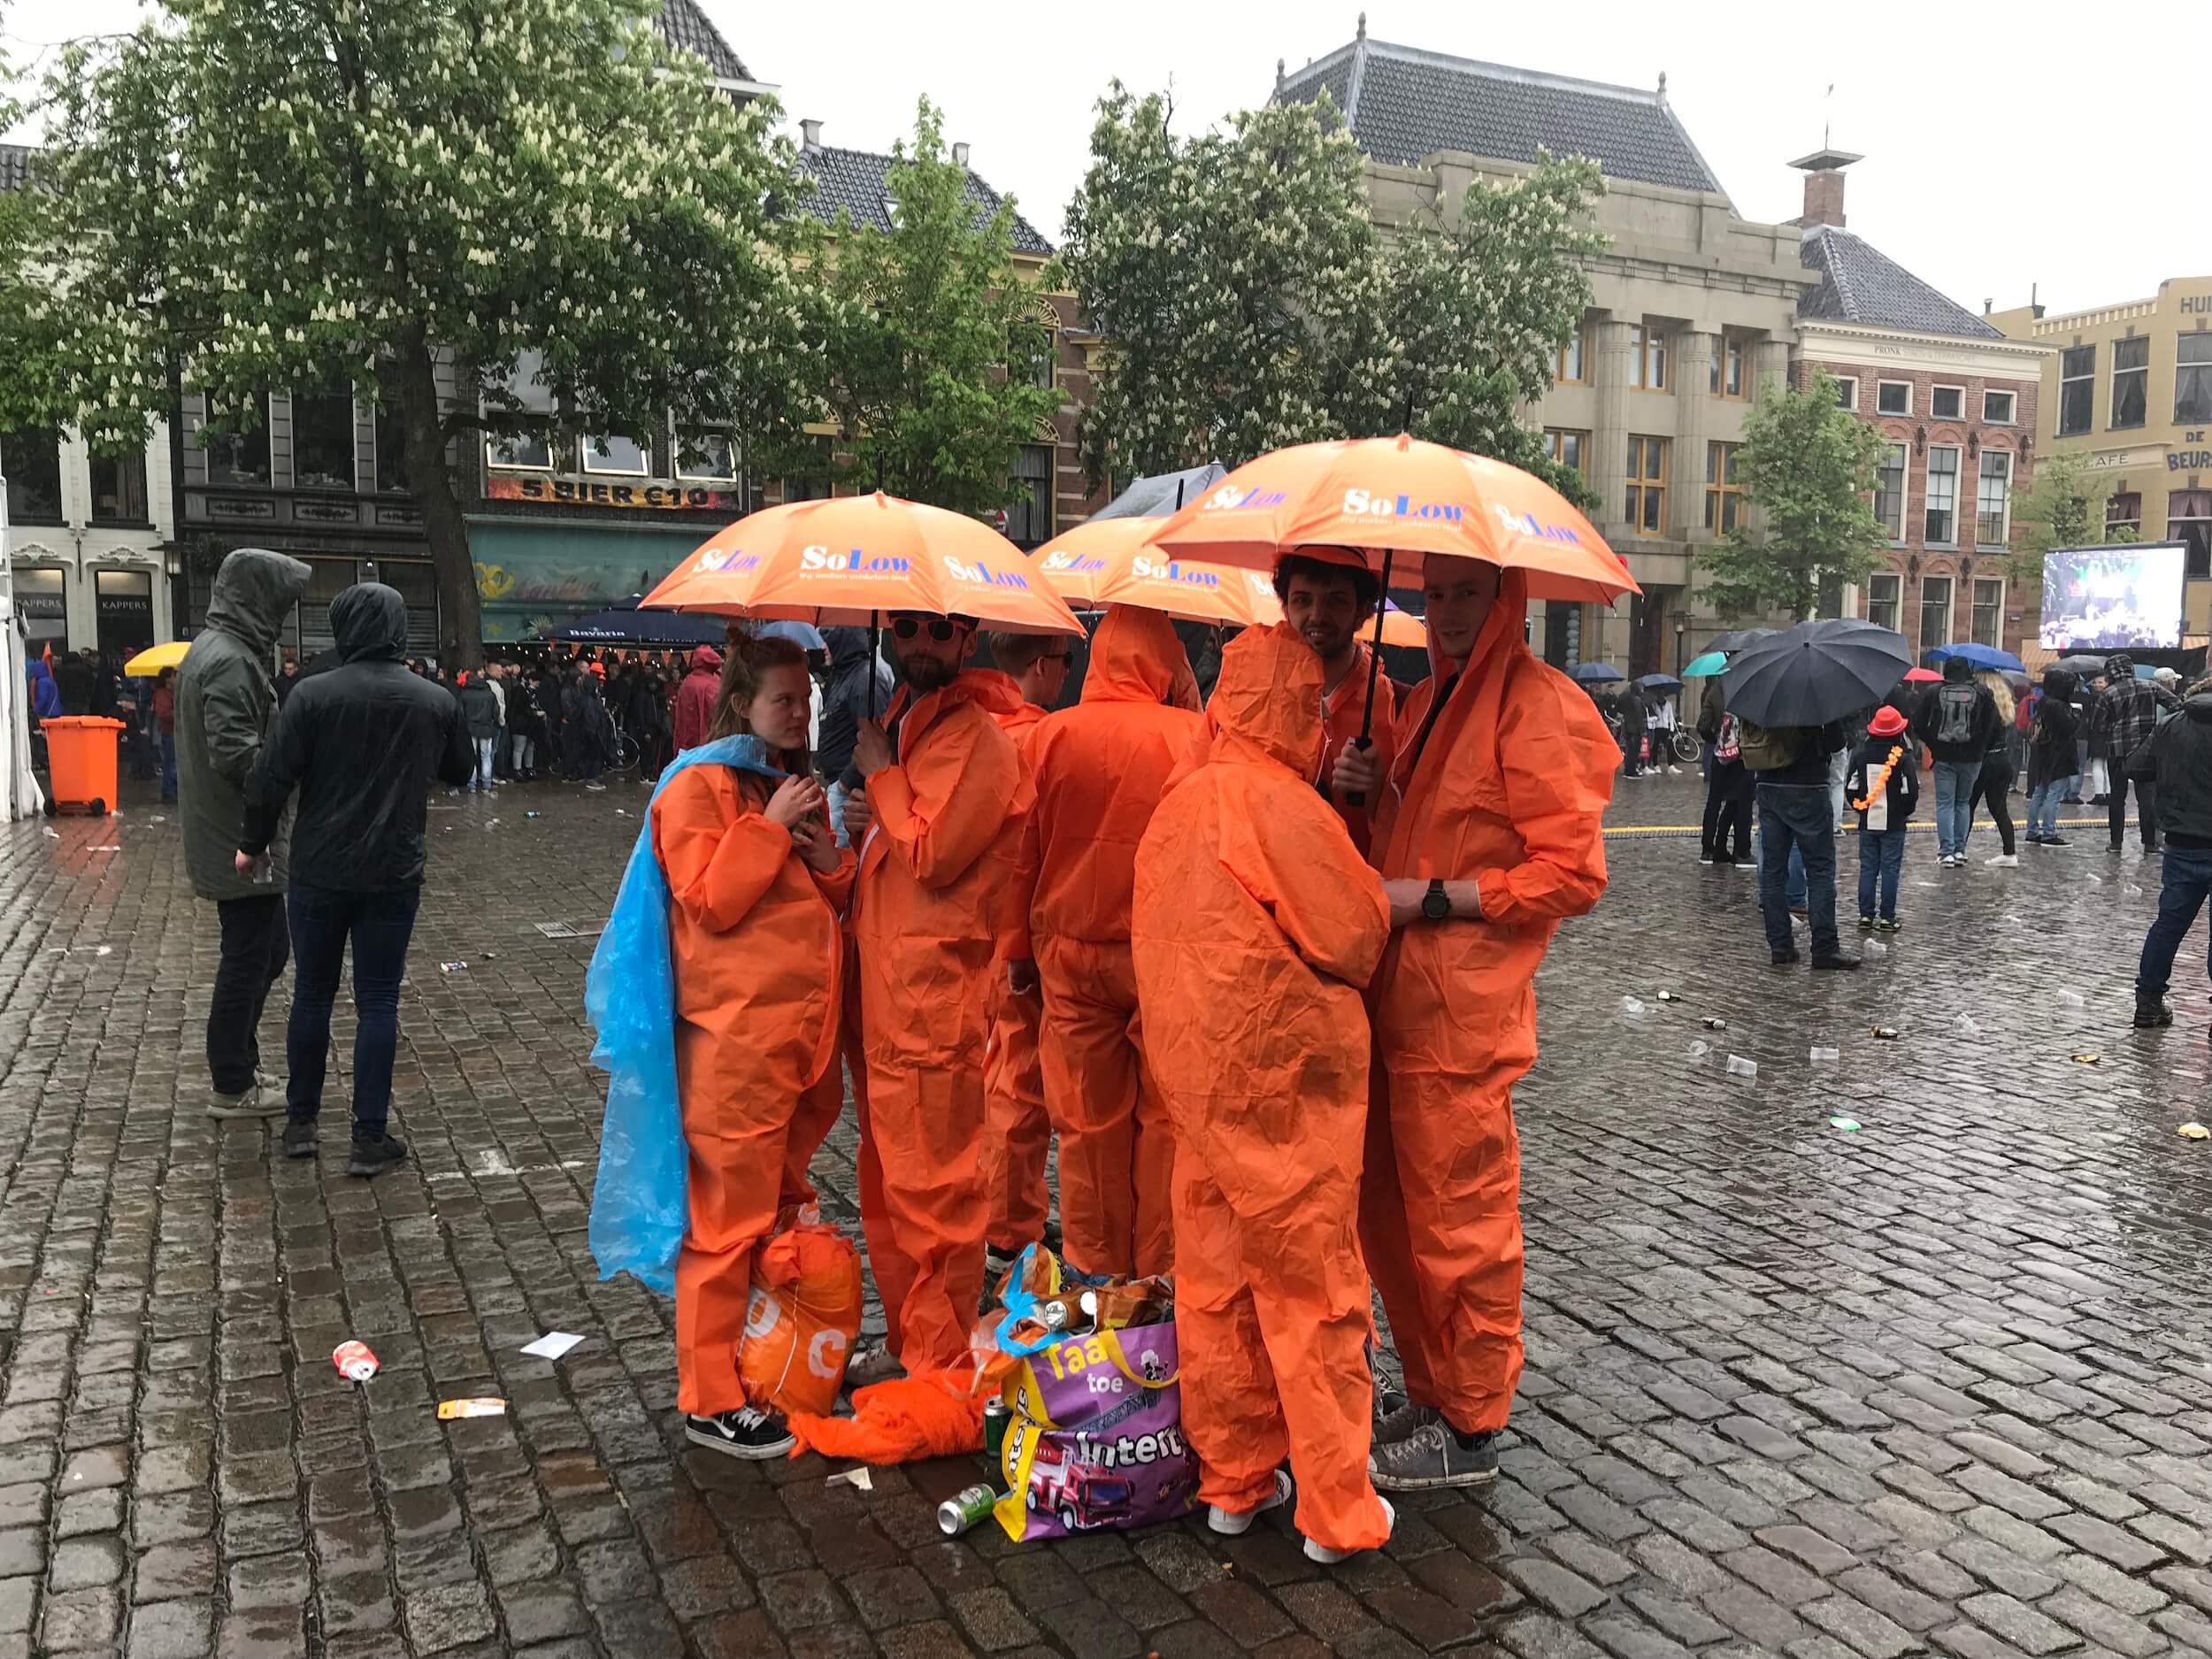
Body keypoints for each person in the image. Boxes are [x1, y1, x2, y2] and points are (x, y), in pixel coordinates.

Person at [1332, 558, 1614, 1491]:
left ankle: (1471, 1423)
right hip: (1392, 1003)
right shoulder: (1422, 707)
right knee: (1392, 1219)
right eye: (1435, 595)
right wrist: (1366, 788)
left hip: (1461, 1018)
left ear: (1505, 600)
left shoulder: (1537, 707)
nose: (1445, 613)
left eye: (1465, 595)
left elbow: (1569, 873)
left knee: (1461, 1223)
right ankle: (1428, 1388)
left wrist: (1438, 901)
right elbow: (1397, 857)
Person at [1131, 620, 1394, 1563]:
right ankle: (1335, 1509)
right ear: (1295, 707)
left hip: (1195, 1087)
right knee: (1311, 1287)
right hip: (1284, 1084)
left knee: (1213, 1282)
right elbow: (1355, 935)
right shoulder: (1281, 805)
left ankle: (1233, 1483)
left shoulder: (1178, 802)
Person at [647, 636, 853, 1458]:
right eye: (781, 700)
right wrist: (768, 829)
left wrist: (828, 852)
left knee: (771, 1216)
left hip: (794, 1049)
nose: (799, 713)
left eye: (805, 700)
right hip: (734, 1050)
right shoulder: (697, 787)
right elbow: (713, 899)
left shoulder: (790, 783)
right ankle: (708, 1396)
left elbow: (829, 894)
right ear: (740, 703)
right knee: (724, 1229)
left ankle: (757, 1361)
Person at [839, 611, 1033, 1380]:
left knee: (936, 1192)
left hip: (931, 1002)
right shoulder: (915, 722)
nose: (921, 641)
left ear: (968, 636)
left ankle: (941, 1358)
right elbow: (903, 837)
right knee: (891, 1184)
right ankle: (913, 1340)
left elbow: (933, 853)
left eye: (938, 630)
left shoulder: (978, 740)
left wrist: (883, 776)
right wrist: (871, 815)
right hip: (888, 993)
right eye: (909, 627)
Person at [238, 582, 473, 1175]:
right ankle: (369, 1134)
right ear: (400, 630)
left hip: (319, 867)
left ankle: (301, 1124)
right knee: (378, 999)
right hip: (394, 869)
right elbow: (461, 769)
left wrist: (252, 843)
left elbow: (270, 776)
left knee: (312, 994)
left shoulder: (311, 696)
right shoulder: (434, 700)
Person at [1009, 607, 1200, 1279]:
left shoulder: (1050, 736)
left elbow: (1021, 856)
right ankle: (1160, 1282)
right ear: (1165, 661)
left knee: (1087, 1129)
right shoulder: (1193, 737)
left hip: (1069, 956)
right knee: (1166, 1128)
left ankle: (1095, 1277)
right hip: (1164, 957)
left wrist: (1014, 953)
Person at [175, 548, 313, 1119]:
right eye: (278, 604)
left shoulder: (221, 650)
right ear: (257, 600)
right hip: (240, 841)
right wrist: (292, 761)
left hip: (235, 833)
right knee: (248, 957)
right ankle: (231, 1081)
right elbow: (236, 754)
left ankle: (241, 1063)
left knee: (268, 950)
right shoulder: (231, 660)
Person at [979, 629, 1071, 1275]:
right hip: (1022, 938)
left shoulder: (976, 733)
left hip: (976, 936)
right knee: (1019, 1087)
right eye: (1065, 662)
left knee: (997, 1078)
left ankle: (1009, 1213)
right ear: (1042, 665)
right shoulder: (1038, 740)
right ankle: (1009, 1228)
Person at [1275, 549, 1395, 856]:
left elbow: (1416, 829)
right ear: (1286, 606)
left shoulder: (1398, 707)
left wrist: (1377, 795)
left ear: (1362, 610)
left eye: (1335, 600)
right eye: (1303, 599)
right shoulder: (1255, 696)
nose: (1317, 615)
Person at [1743, 714, 1857, 969]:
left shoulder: (1763, 697)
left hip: (1768, 785)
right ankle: (1824, 948)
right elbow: (1836, 743)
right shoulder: (1814, 699)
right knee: (1820, 870)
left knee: (1773, 871)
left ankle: (1780, 946)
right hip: (1807, 786)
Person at [2130, 676, 2212, 1028]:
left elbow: (2135, 766)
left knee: (2168, 927)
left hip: (2181, 842)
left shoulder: (2171, 725)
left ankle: (2148, 1003)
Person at [1914, 657, 2000, 867]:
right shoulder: (1983, 692)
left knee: (1944, 803)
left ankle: (1946, 852)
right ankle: (1960, 850)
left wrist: (1934, 744)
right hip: (1973, 757)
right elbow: (1994, 724)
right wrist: (1981, 747)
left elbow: (1918, 723)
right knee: (1963, 803)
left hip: (1943, 755)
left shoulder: (1934, 691)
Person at [2094, 653, 2179, 855]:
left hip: (2117, 751)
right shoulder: (2151, 686)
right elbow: (2176, 704)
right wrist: (2161, 729)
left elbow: (2098, 725)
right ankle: (2149, 843)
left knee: (2117, 798)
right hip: (2146, 750)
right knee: (2146, 799)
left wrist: (2114, 728)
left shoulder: (2108, 694)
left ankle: (2116, 843)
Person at [818, 626, 895, 848]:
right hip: (838, 784)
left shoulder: (863, 679)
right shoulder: (846, 675)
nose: (824, 645)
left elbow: (875, 735)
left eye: (829, 637)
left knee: (840, 856)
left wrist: (846, 781)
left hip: (848, 791)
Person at [1847, 706, 1919, 933]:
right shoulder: (1903, 759)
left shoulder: (1860, 755)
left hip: (1868, 821)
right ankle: (1887, 918)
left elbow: (1851, 788)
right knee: (1890, 870)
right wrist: (1903, 812)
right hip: (1894, 823)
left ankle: (1865, 916)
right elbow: (1911, 793)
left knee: (1868, 868)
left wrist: (1861, 809)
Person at [1696, 674, 1753, 865]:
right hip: (1743, 756)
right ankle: (1741, 851)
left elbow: (1702, 725)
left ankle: (1708, 850)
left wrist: (1717, 741)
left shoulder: (1715, 690)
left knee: (1714, 802)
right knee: (1742, 803)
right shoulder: (1748, 685)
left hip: (1720, 756)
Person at [1965, 672, 2018, 866]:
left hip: (1983, 760)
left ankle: (1959, 848)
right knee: (1999, 809)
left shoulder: (1983, 706)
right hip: (2002, 759)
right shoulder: (2004, 706)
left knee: (1968, 805)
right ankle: (2009, 852)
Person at [2024, 671, 2081, 846]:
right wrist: (2076, 714)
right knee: (2054, 795)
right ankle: (2049, 833)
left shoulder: (2044, 702)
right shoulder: (2059, 706)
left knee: (2039, 792)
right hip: (2059, 756)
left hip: (2043, 755)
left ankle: (2032, 831)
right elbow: (2070, 727)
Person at [671, 645, 722, 755]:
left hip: (686, 744)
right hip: (707, 746)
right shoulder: (713, 684)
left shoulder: (687, 682)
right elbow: (718, 716)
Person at [457, 671, 501, 791]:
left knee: (471, 756)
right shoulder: (490, 694)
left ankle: (472, 783)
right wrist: (493, 720)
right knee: (486, 755)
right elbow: (496, 711)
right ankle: (486, 783)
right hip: (486, 728)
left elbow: (460, 712)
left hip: (470, 728)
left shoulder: (464, 694)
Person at [151, 668, 179, 803]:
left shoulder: (173, 693)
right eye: (174, 676)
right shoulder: (163, 694)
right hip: (169, 732)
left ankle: (173, 790)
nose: (176, 678)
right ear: (167, 679)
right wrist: (179, 712)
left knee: (174, 763)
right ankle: (169, 792)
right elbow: (164, 714)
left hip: (176, 732)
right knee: (170, 763)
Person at [1617, 679, 1648, 778]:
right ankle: (1631, 770)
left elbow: (1620, 709)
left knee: (1630, 750)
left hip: (1628, 728)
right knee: (1634, 751)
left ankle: (1629, 770)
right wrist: (1643, 729)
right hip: (1635, 729)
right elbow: (1639, 716)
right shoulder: (1637, 700)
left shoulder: (1626, 698)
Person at [1648, 687, 1681, 774]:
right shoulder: (1654, 704)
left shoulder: (1668, 704)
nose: (1661, 695)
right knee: (1655, 747)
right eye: (1660, 693)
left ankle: (1671, 766)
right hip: (1657, 728)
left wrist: (1671, 729)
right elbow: (1652, 715)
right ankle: (1656, 765)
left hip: (1666, 728)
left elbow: (1671, 717)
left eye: (1663, 693)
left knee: (1669, 746)